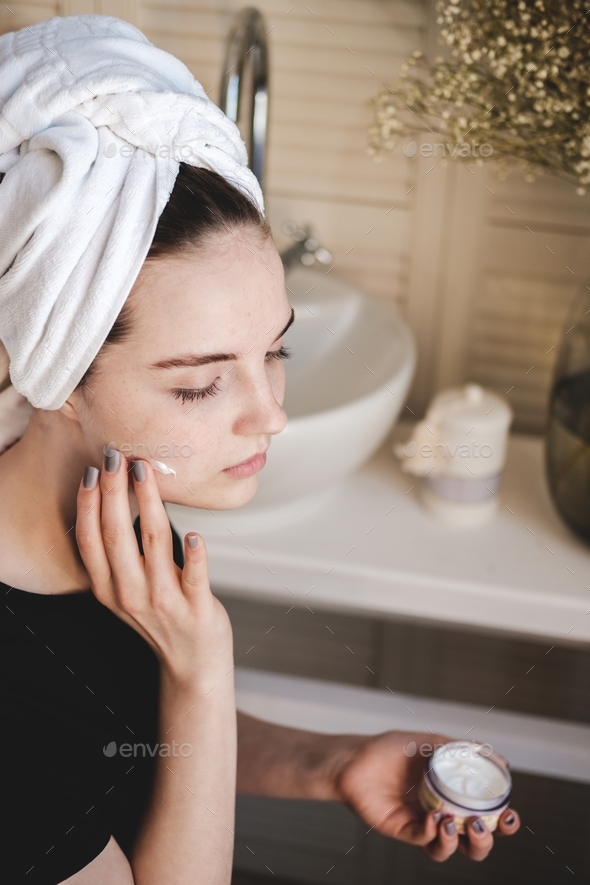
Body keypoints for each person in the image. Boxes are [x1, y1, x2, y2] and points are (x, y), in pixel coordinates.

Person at [0, 14, 520, 885]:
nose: (270, 415)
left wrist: (331, 761)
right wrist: (205, 665)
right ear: (56, 378)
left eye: (275, 352)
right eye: (200, 384)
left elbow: (127, 740)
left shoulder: (113, 512)